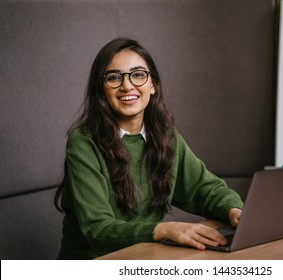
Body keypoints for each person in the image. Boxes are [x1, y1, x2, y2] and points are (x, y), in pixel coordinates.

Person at [54, 37, 244, 259]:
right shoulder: (84, 142)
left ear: (152, 84)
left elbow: (204, 189)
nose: (127, 85)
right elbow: (98, 229)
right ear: (101, 89)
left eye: (138, 75)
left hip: (144, 260)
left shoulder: (165, 135)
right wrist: (164, 229)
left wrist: (234, 210)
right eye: (114, 77)